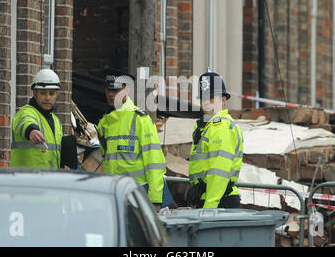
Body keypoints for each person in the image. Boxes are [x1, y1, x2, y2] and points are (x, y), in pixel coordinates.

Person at [97, 68, 173, 211]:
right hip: (114, 195)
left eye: (116, 90)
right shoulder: (104, 123)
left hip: (139, 194)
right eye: (108, 90)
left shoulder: (141, 120)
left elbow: (154, 162)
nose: (111, 94)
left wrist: (156, 199)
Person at [187, 71, 244, 208]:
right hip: (210, 198)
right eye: (203, 98)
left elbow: (220, 170)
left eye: (211, 98)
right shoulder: (207, 126)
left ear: (223, 100)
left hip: (218, 201)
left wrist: (209, 207)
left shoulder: (221, 127)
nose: (206, 102)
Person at [11, 68, 64, 169]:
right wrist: (31, 130)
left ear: (56, 94)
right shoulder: (25, 112)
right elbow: (26, 121)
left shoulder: (56, 121)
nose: (47, 98)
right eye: (43, 93)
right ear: (35, 93)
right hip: (26, 181)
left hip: (50, 181)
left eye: (51, 93)